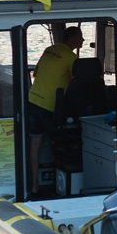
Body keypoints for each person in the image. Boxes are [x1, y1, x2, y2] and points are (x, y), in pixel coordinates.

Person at [25, 26, 84, 199]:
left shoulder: (50, 50)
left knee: (35, 143)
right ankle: (60, 183)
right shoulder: (72, 58)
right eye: (80, 37)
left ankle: (35, 185)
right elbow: (78, 84)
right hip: (50, 107)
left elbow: (35, 74)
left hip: (33, 100)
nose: (83, 41)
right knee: (61, 140)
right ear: (71, 39)